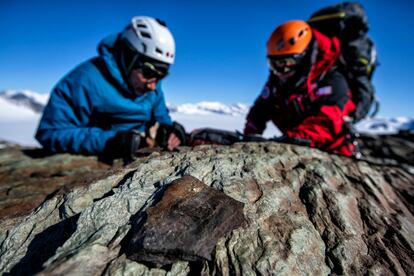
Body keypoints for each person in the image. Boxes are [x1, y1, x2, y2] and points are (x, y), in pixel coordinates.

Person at [35, 16, 186, 163]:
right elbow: (50, 133)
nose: (153, 86)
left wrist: (169, 131)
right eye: (149, 72)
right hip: (102, 160)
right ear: (128, 56)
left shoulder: (152, 83)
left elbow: (161, 117)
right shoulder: (84, 81)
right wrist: (110, 141)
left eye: (162, 75)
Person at [244, 20, 357, 157]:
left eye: (286, 62)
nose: (280, 70)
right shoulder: (279, 77)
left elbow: (328, 122)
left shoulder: (333, 80)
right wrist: (250, 134)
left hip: (334, 151)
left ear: (304, 56)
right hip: (296, 146)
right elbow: (260, 108)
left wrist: (290, 140)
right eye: (274, 64)